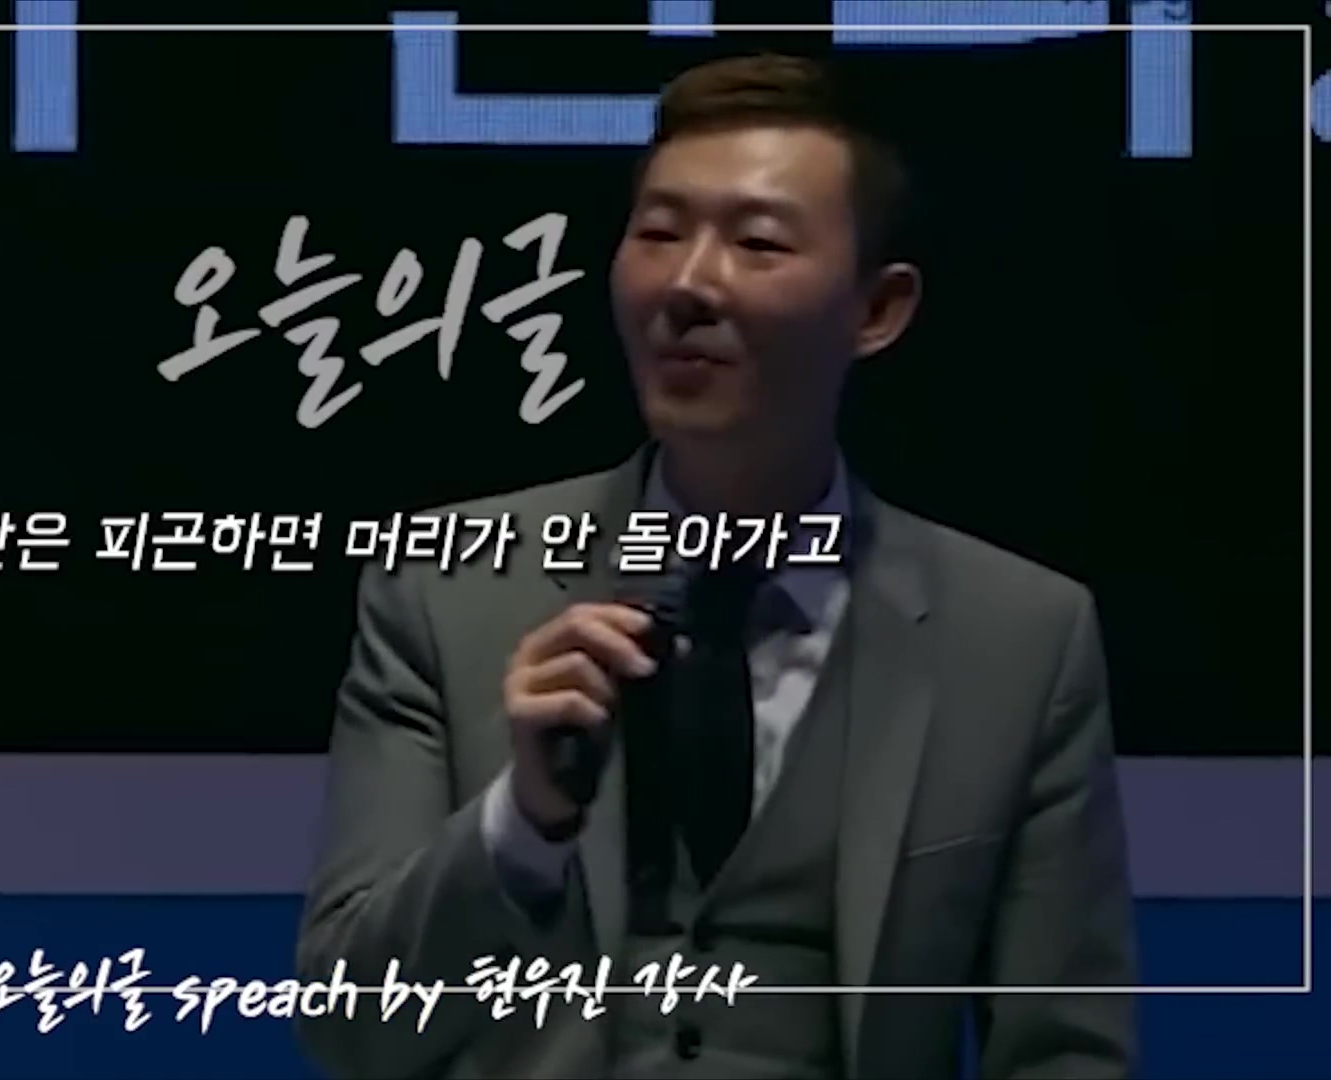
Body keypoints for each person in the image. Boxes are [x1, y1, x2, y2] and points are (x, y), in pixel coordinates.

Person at [293, 53, 1135, 1079]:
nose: (688, 283)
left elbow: (1063, 1051)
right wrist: (524, 823)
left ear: (876, 310)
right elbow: (350, 1027)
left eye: (757, 243)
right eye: (658, 233)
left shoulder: (1018, 638)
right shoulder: (448, 588)